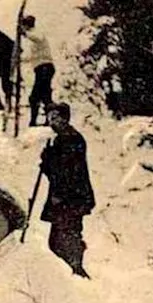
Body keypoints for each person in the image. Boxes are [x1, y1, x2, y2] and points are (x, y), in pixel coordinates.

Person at [40, 103, 96, 278]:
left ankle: (77, 270)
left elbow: (68, 172)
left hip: (71, 198)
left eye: (55, 117)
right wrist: (47, 161)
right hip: (64, 197)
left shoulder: (72, 139)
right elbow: (54, 172)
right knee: (58, 240)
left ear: (65, 118)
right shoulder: (60, 139)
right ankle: (75, 267)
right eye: (49, 117)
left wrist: (50, 160)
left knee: (64, 237)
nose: (51, 121)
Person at [21, 16, 55, 127]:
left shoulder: (36, 33)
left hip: (45, 68)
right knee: (45, 96)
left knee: (35, 97)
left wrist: (24, 34)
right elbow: (34, 56)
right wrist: (21, 60)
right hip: (42, 68)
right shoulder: (33, 40)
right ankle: (48, 119)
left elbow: (38, 38)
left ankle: (34, 121)